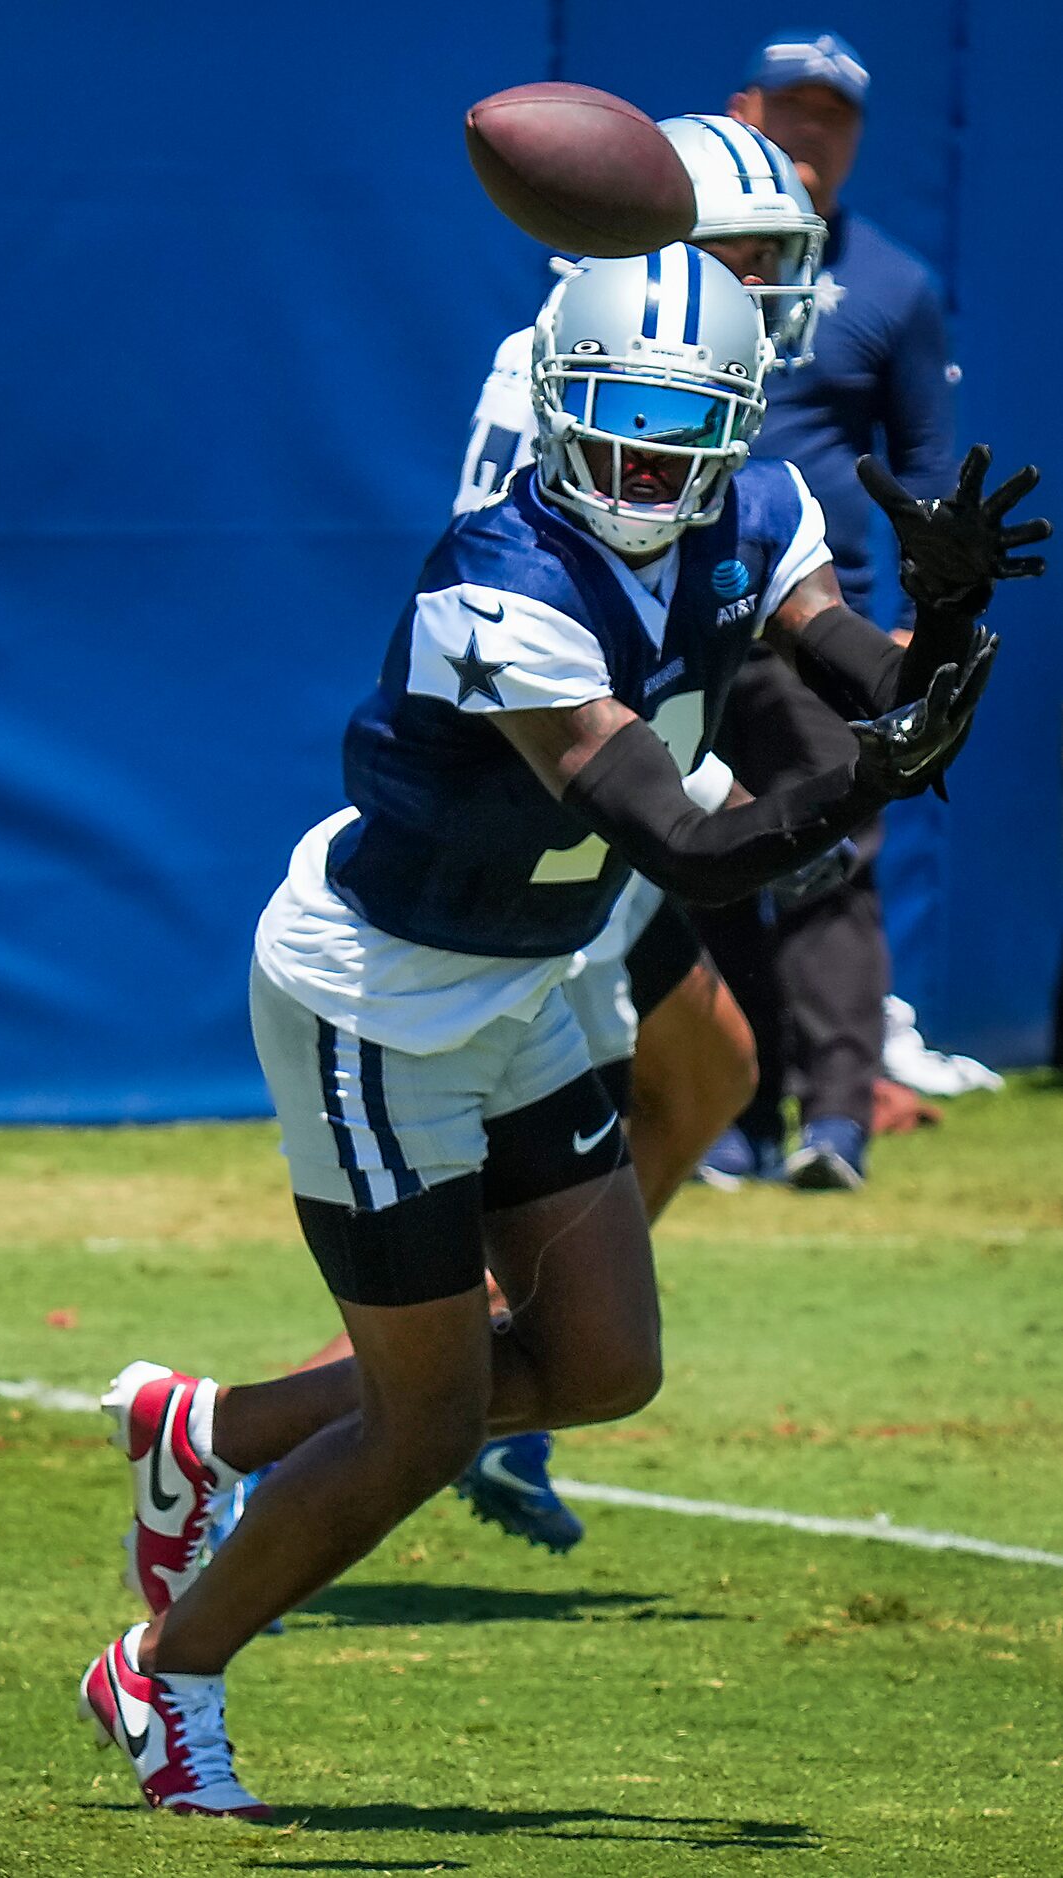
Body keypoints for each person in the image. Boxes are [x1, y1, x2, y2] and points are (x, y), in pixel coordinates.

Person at [74, 243, 1039, 1817]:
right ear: (549, 403)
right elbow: (690, 844)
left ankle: (211, 1428)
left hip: (523, 975)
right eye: (611, 422)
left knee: (599, 1363)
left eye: (681, 430)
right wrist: (873, 767)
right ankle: (164, 1671)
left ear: (740, 430)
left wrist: (941, 616)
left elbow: (878, 683)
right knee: (429, 1419)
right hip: (378, 999)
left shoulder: (756, 513)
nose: (645, 463)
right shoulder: (495, 578)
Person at [450, 112, 824, 1537]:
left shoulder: (660, 363)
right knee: (508, 1236)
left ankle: (515, 1399)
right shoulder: (579, 371)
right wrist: (705, 781)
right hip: (556, 828)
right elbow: (542, 615)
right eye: (734, 253)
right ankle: (260, 1452)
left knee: (712, 1072)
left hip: (615, 811)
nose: (763, 287)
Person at [696, 28, 963, 1190]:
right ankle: (730, 1114)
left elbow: (923, 471)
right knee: (699, 852)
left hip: (821, 619)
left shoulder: (895, 284)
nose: (809, 138)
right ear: (743, 111)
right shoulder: (670, 266)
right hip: (683, 622)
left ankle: (836, 1125)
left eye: (834, 119)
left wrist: (921, 624)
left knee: (828, 856)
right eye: (790, 111)